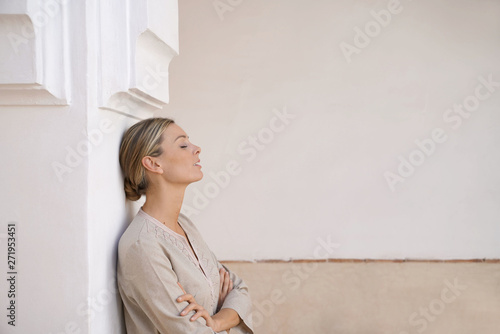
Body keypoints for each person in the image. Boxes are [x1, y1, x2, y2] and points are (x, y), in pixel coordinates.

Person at [117, 118, 254, 334]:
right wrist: (223, 312)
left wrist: (216, 322)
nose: (197, 149)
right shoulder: (142, 245)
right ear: (153, 164)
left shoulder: (184, 225)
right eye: (183, 145)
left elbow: (239, 289)